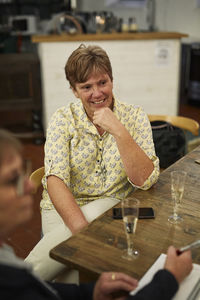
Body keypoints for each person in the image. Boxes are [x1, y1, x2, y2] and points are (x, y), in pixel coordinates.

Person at [0, 129, 194, 300]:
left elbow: (44, 290)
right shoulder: (12, 283)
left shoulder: (8, 262)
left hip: (107, 207)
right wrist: (169, 278)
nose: (30, 185)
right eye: (12, 179)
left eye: (22, 172)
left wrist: (90, 292)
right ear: (75, 91)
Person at [25, 44, 160, 280]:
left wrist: (119, 130)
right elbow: (55, 180)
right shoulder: (62, 119)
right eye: (86, 87)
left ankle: (15, 283)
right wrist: (83, 234)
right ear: (74, 91)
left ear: (112, 80)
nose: (97, 93)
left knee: (72, 272)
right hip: (63, 206)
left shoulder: (135, 116)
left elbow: (145, 180)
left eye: (102, 82)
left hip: (110, 204)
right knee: (73, 274)